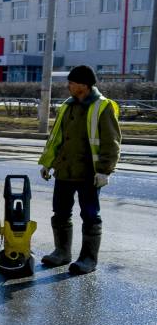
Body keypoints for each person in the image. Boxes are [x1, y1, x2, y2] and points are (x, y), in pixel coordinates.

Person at [38, 65, 121, 275]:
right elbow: (56, 138)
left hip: (89, 174)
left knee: (90, 216)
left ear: (83, 85)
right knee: (60, 213)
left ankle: (88, 259)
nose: (68, 86)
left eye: (72, 83)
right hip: (64, 171)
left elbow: (111, 143)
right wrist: (48, 162)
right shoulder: (67, 106)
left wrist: (105, 170)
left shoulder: (103, 107)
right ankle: (61, 252)